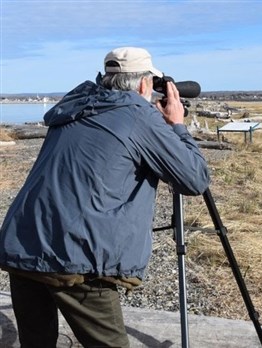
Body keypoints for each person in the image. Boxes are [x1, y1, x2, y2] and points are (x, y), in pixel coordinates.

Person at [0, 47, 210, 347]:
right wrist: (177, 125)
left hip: (22, 244)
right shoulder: (137, 116)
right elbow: (194, 179)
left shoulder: (73, 107)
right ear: (143, 85)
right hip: (76, 257)